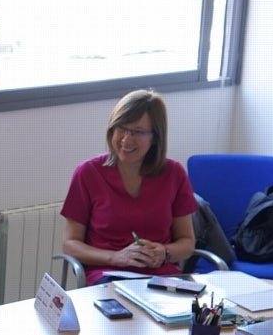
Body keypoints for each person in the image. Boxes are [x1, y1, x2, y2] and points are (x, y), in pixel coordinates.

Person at [61, 89, 198, 285]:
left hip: (161, 277)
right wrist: (115, 257)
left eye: (137, 132)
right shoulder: (88, 173)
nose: (126, 140)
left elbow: (187, 242)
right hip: (107, 275)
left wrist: (164, 252)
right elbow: (70, 244)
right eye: (121, 129)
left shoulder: (174, 173)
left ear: (155, 137)